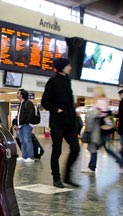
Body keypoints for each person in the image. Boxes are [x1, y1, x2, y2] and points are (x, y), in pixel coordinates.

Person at [41, 58, 80, 188]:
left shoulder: (68, 81)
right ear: (62, 66)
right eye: (68, 65)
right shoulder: (52, 81)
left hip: (69, 123)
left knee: (76, 148)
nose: (70, 67)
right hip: (57, 123)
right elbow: (44, 101)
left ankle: (67, 176)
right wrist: (56, 109)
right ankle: (56, 178)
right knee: (57, 151)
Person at [81, 87, 123, 174]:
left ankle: (92, 167)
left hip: (99, 130)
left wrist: (88, 128)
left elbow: (94, 115)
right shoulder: (105, 101)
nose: (93, 94)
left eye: (94, 92)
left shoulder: (100, 102)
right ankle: (121, 163)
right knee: (105, 148)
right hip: (104, 130)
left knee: (94, 147)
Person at [16, 89, 35, 162]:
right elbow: (19, 115)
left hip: (26, 125)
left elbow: (30, 114)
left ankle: (30, 157)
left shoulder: (28, 103)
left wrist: (26, 122)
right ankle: (24, 156)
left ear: (22, 95)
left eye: (18, 93)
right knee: (22, 141)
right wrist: (17, 124)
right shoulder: (21, 103)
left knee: (27, 140)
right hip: (21, 125)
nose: (17, 94)